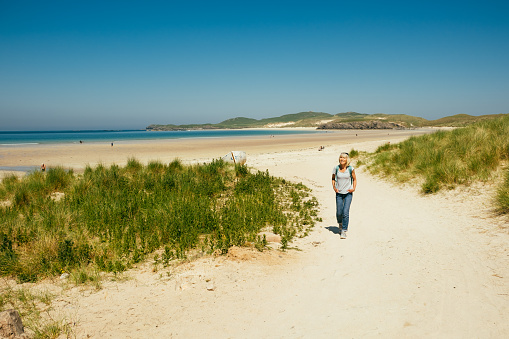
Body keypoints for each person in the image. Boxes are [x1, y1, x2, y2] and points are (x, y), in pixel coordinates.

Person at [332, 152, 357, 239]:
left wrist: (353, 188)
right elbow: (333, 179)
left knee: (345, 212)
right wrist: (334, 188)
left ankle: (344, 231)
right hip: (339, 193)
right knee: (339, 212)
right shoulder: (336, 168)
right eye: (341, 157)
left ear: (347, 160)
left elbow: (354, 179)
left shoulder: (351, 169)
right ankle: (340, 223)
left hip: (348, 194)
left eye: (344, 158)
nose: (342, 159)